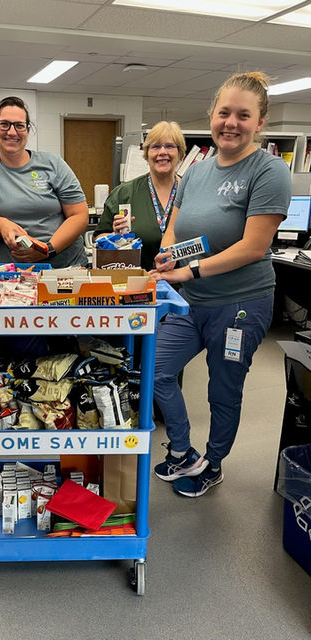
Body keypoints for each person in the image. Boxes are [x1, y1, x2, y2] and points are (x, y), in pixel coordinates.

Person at [152, 71, 292, 498]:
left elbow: (253, 246)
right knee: (156, 370)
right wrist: (167, 254)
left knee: (222, 390)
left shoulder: (268, 171)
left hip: (239, 305)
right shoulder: (196, 172)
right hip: (191, 301)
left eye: (243, 115)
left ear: (259, 123)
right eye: (224, 113)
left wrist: (189, 271)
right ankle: (183, 450)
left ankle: (212, 464)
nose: (231, 123)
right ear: (212, 115)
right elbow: (175, 225)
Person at [0, 96, 88, 268]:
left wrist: (47, 250)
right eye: (4, 124)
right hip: (18, 267)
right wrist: (2, 224)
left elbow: (79, 215)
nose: (12, 132)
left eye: (19, 125)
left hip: (65, 264)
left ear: (27, 129)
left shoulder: (53, 164)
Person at [93, 121, 186, 270]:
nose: (162, 152)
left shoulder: (191, 191)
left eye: (170, 146)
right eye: (156, 146)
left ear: (180, 153)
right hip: (137, 280)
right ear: (146, 153)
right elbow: (98, 238)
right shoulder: (124, 193)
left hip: (186, 281)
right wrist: (115, 237)